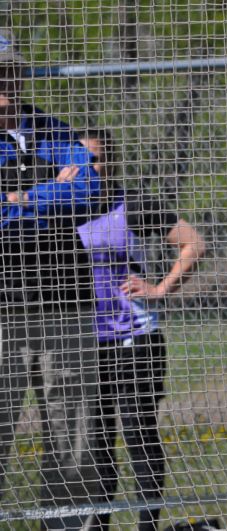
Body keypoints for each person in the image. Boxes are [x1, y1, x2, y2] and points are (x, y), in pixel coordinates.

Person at [61, 129, 206, 531]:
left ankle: (147, 525)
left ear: (111, 163)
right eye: (79, 159)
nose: (89, 167)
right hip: (82, 345)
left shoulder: (133, 205)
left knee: (139, 434)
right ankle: (99, 524)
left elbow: (194, 244)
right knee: (97, 443)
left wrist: (158, 289)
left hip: (134, 340)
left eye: (97, 159)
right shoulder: (54, 209)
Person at [0, 29, 106, 529]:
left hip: (63, 306)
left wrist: (23, 199)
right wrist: (48, 190)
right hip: (4, 311)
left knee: (72, 439)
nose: (5, 86)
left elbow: (90, 194)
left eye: (10, 73)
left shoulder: (56, 133)